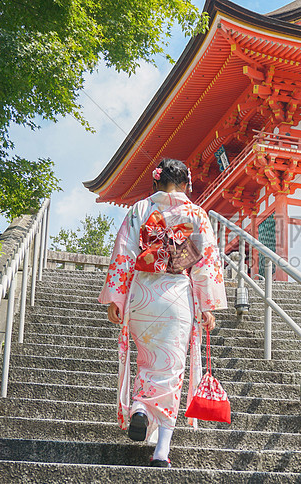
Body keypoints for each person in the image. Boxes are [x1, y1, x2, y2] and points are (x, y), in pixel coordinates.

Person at [98, 158, 228, 468]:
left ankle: (140, 407)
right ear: (186, 185)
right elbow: (205, 263)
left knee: (146, 363)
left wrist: (116, 298)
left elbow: (124, 254)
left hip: (142, 293)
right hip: (176, 295)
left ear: (156, 183)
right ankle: (160, 452)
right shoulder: (196, 215)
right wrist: (207, 305)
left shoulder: (140, 211)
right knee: (171, 370)